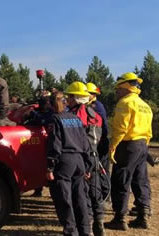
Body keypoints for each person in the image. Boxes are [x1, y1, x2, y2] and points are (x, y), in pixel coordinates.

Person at [107, 72, 153, 230]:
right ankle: (143, 216)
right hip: (141, 144)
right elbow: (149, 131)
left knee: (121, 180)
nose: (117, 92)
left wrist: (113, 146)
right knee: (141, 180)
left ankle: (120, 219)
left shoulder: (124, 103)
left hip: (127, 145)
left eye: (118, 89)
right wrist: (144, 146)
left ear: (125, 87)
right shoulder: (145, 105)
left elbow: (120, 128)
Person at [46, 92, 91, 236]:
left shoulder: (56, 119)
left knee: (64, 198)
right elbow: (85, 143)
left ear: (52, 104)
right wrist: (88, 165)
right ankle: (85, 230)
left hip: (64, 161)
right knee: (80, 198)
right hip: (79, 161)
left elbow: (55, 144)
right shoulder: (76, 119)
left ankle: (71, 231)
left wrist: (50, 167)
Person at [65, 82, 105, 236]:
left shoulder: (74, 116)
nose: (67, 99)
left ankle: (86, 226)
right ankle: (99, 221)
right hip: (94, 156)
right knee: (96, 191)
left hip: (82, 157)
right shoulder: (95, 115)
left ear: (75, 98)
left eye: (69, 96)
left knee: (83, 193)